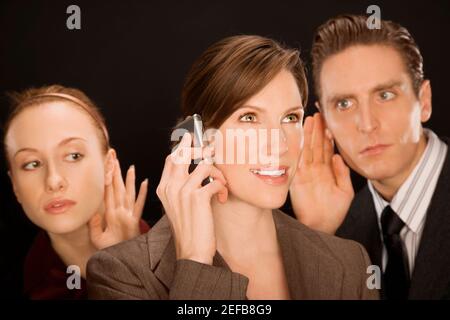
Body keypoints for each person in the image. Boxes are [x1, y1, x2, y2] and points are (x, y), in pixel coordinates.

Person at [86, 35, 378, 300]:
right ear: (197, 137)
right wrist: (195, 262)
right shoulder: (121, 273)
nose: (279, 145)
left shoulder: (350, 263)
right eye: (249, 118)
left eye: (290, 118)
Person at [290, 15, 449, 299]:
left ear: (423, 102)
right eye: (344, 103)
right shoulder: (338, 229)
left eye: (385, 95)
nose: (366, 124)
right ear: (324, 120)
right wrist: (320, 237)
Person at [3, 85, 150, 299]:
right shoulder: (22, 284)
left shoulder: (184, 253)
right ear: (15, 184)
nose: (53, 181)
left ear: (109, 165)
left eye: (73, 156)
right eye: (32, 164)